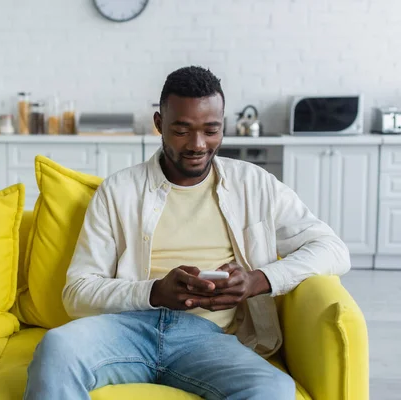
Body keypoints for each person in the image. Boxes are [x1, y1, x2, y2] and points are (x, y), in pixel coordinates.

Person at [23, 66, 351, 400]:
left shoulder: (255, 185)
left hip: (208, 337)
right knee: (57, 349)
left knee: (274, 388)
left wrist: (257, 280)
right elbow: (76, 293)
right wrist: (154, 293)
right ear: (159, 124)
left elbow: (333, 249)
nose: (197, 144)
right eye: (182, 130)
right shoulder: (118, 191)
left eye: (211, 130)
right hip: (127, 328)